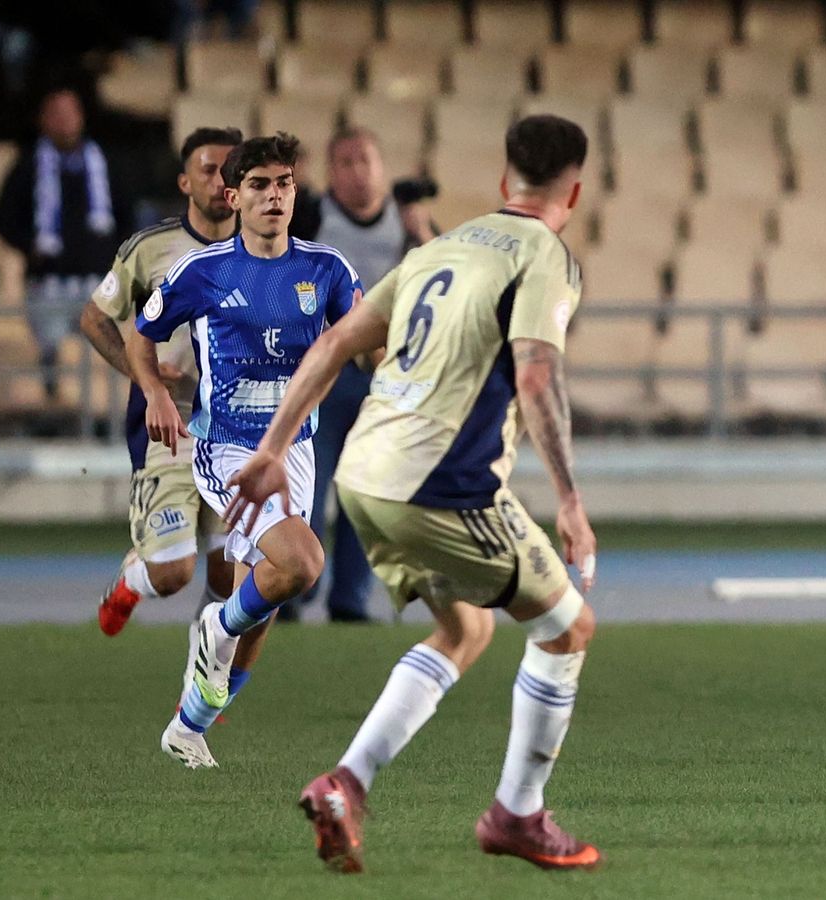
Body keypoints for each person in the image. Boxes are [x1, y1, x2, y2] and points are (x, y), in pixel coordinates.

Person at [221, 115, 601, 874]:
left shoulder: (441, 247)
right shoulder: (546, 256)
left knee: (466, 631)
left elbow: (333, 343)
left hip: (364, 475)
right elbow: (535, 373)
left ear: (503, 183)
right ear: (576, 190)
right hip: (441, 487)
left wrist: (271, 449)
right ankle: (516, 814)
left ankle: (345, 785)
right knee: (568, 627)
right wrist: (569, 500)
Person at [128, 133, 362, 768]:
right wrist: (152, 390)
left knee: (272, 592)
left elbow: (361, 341)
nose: (274, 195)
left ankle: (189, 726)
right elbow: (141, 333)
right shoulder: (202, 272)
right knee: (303, 564)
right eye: (259, 185)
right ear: (234, 196)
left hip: (298, 451)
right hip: (228, 449)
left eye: (284, 183)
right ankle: (216, 625)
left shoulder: (328, 270)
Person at [85, 127, 242, 644]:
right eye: (209, 170)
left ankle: (205, 657)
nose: (222, 181)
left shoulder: (264, 250)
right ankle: (134, 579)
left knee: (229, 575)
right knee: (173, 574)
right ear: (184, 182)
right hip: (167, 423)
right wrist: (144, 376)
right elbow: (94, 317)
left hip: (236, 429)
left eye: (230, 170)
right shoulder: (151, 249)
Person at [284, 127, 440, 623]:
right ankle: (293, 585)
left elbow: (445, 276)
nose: (357, 172)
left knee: (364, 493)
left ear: (382, 165)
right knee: (305, 488)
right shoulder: (311, 217)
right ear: (332, 171)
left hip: (386, 377)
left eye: (365, 160)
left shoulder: (407, 221)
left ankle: (350, 598)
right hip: (321, 372)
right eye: (346, 162)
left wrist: (421, 230)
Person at [0, 86, 133, 399]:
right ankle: (55, 412)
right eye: (56, 114)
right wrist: (31, 247)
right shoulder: (27, 166)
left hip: (97, 284)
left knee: (100, 361)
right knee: (53, 360)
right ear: (43, 120)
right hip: (48, 284)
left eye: (70, 114)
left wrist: (113, 255)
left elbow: (127, 215)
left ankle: (99, 422)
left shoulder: (104, 163)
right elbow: (4, 218)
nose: (65, 122)